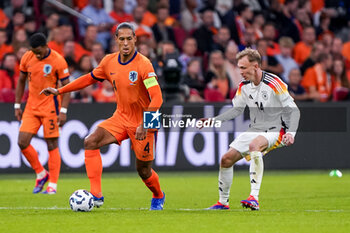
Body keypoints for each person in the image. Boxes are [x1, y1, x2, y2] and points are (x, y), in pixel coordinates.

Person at [41, 22, 165, 210]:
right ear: (115, 40)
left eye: (129, 39)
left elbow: (157, 98)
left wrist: (144, 123)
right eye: (121, 39)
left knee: (143, 170)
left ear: (135, 40)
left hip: (145, 120)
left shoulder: (143, 64)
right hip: (121, 117)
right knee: (91, 141)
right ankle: (96, 195)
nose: (125, 43)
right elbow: (88, 79)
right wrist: (60, 91)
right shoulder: (109, 61)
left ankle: (158, 195)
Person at [203, 48, 300, 210]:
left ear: (255, 67)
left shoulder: (274, 83)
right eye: (239, 67)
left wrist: (291, 133)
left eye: (243, 68)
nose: (240, 72)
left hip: (277, 129)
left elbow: (293, 109)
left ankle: (254, 197)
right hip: (256, 128)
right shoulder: (244, 86)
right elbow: (236, 110)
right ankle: (223, 202)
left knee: (254, 146)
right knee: (226, 159)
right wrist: (214, 121)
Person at [15, 33, 70, 194]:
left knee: (51, 144)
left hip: (50, 108)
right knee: (22, 142)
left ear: (46, 46)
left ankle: (53, 184)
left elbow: (67, 87)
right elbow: (21, 81)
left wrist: (63, 111)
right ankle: (41, 173)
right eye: (33, 51)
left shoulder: (58, 60)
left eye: (38, 51)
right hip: (31, 107)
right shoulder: (27, 57)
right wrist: (17, 105)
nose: (36, 55)